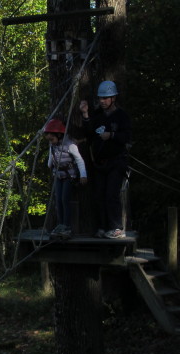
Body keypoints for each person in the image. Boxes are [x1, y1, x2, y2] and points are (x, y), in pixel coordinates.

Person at [79, 80, 132, 239]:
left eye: (105, 98)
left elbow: (127, 137)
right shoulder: (97, 114)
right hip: (100, 163)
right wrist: (85, 115)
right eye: (101, 98)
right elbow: (89, 133)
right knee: (99, 195)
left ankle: (116, 227)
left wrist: (112, 135)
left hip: (116, 162)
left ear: (113, 98)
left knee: (111, 195)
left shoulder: (122, 116)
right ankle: (102, 227)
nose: (102, 101)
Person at [43, 118, 88, 239]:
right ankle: (60, 224)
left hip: (69, 176)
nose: (51, 141)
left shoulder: (70, 145)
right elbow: (51, 156)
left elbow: (79, 160)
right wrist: (49, 164)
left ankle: (66, 226)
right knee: (58, 200)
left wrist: (83, 175)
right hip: (58, 175)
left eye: (52, 139)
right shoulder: (53, 144)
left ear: (59, 134)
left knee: (64, 199)